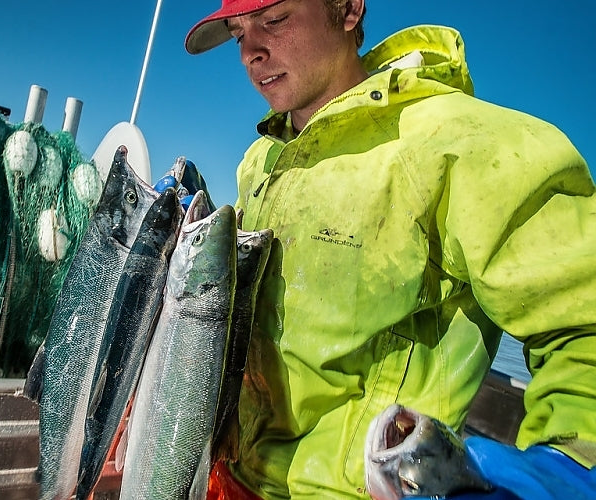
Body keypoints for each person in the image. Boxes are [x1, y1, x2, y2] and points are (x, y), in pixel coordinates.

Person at [184, 0, 596, 498]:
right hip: (226, 477)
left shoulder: (463, 143)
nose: (251, 51)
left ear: (348, 10)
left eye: (273, 20)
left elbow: (583, 325)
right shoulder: (262, 160)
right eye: (237, 32)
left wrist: (565, 468)